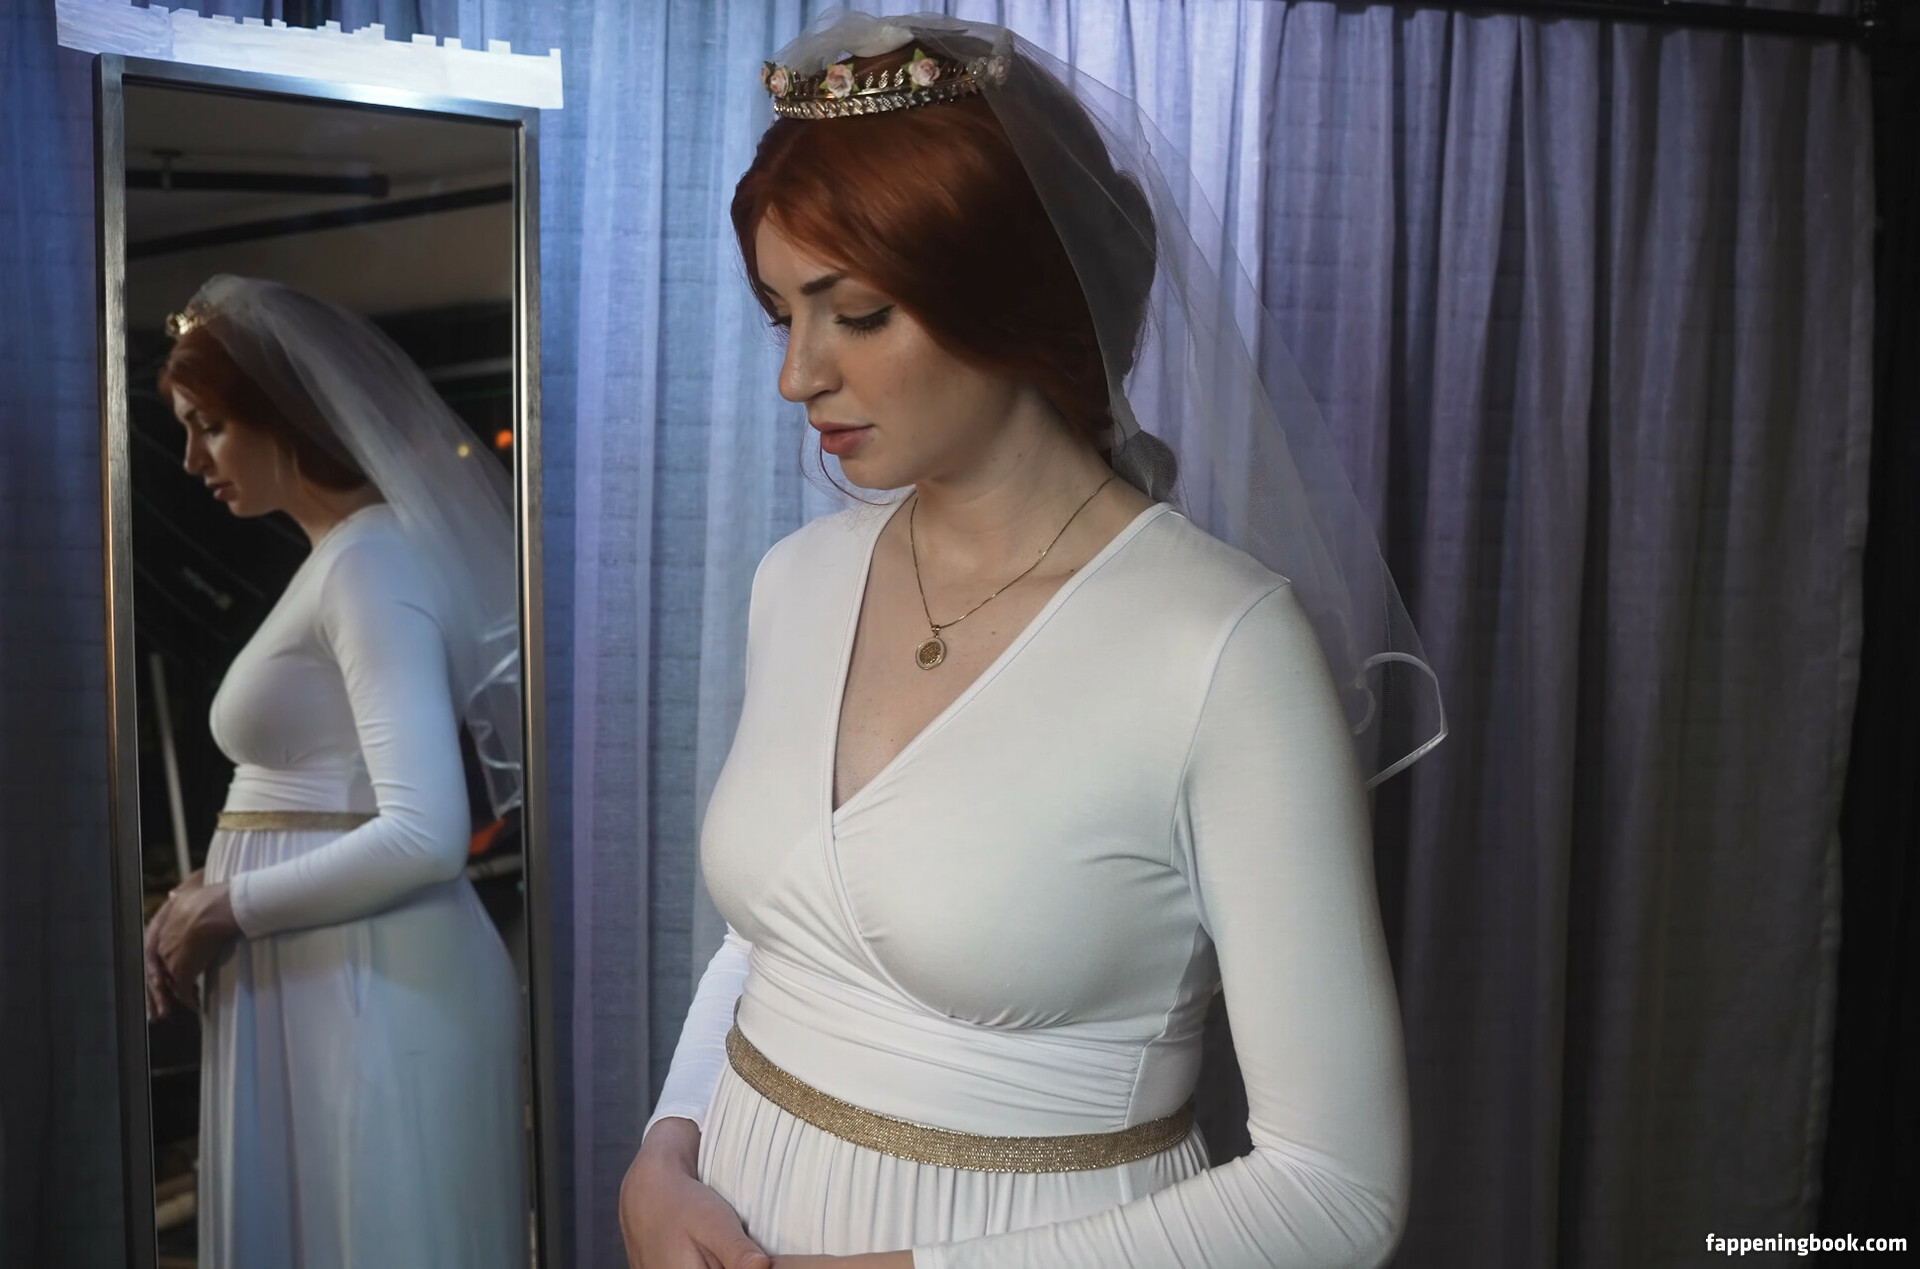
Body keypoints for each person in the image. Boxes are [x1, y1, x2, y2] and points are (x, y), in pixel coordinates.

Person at [620, 12, 1445, 1268]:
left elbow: (1335, 1190)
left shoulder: (1221, 648)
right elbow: (770, 933)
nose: (798, 376)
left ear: (1011, 296)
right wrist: (665, 1150)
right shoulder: (798, 580)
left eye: (858, 314)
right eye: (781, 314)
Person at [141, 275, 526, 1268]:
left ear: (286, 415)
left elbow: (425, 834)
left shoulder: (369, 564)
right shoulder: (341, 559)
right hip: (325, 969)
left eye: (211, 426)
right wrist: (208, 889)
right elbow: (318, 788)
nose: (192, 461)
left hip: (369, 982)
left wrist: (224, 908)